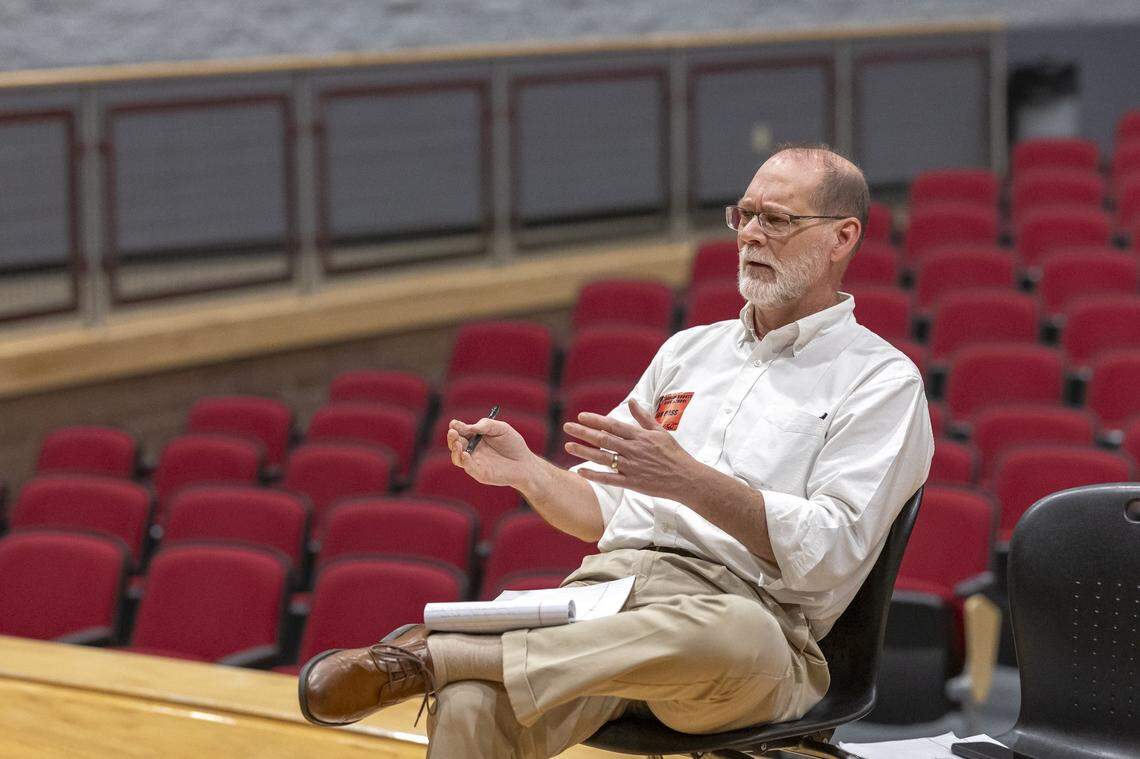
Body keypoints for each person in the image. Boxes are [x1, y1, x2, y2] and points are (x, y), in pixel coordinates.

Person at [297, 144, 934, 758]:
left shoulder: (880, 381)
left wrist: (692, 483)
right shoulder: (688, 351)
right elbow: (605, 511)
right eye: (744, 215)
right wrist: (529, 474)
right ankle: (455, 663)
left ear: (842, 238)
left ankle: (430, 654)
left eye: (778, 219)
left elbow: (829, 551)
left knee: (729, 634)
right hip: (611, 601)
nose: (751, 235)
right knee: (471, 699)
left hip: (747, 630)